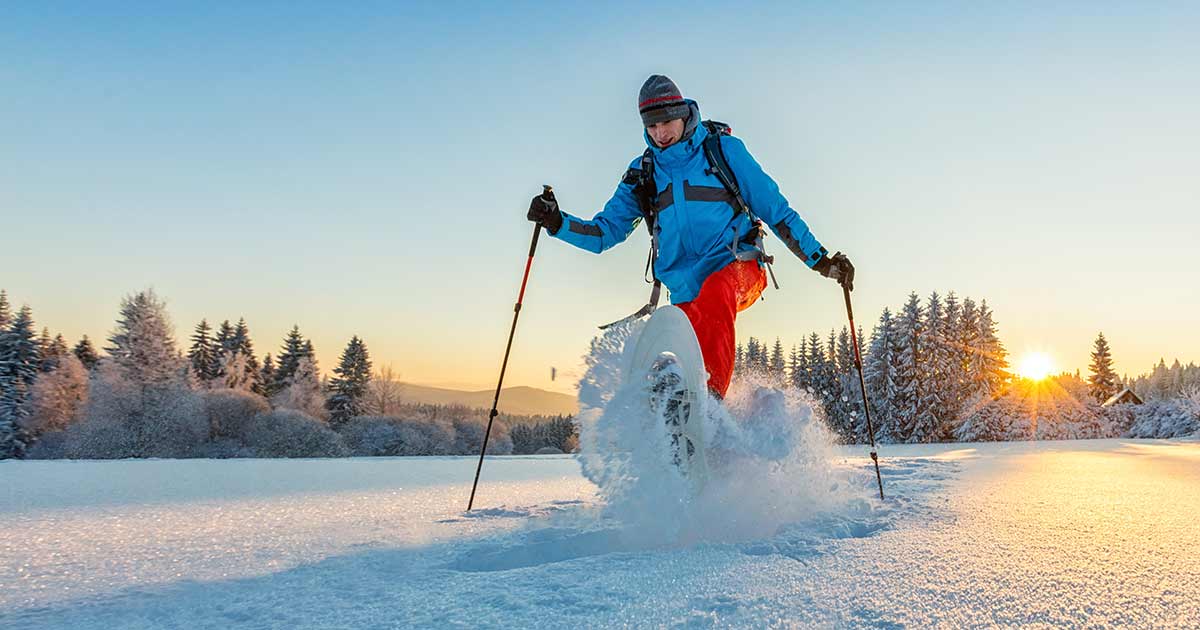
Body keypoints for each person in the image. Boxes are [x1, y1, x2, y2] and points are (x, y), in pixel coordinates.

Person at [527, 75, 854, 399]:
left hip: (738, 266)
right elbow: (604, 233)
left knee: (716, 291)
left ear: (683, 113)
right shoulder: (644, 173)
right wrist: (557, 222)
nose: (660, 133)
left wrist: (821, 260)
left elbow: (776, 209)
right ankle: (671, 420)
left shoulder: (722, 150)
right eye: (652, 126)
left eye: (667, 121)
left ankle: (706, 405)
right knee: (676, 342)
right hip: (684, 291)